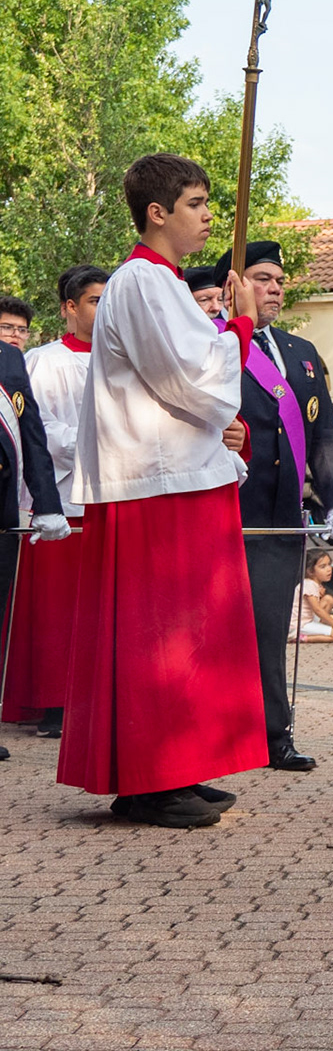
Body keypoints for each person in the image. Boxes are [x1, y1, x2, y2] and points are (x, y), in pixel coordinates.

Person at [64, 153, 264, 827]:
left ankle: (175, 766)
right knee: (162, 635)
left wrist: (223, 417)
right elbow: (188, 378)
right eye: (196, 203)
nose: (209, 216)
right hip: (154, 484)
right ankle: (149, 780)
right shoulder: (144, 282)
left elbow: (186, 381)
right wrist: (238, 325)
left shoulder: (162, 284)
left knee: (189, 633)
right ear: (158, 212)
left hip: (173, 473)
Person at [215, 239, 333, 773]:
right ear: (235, 285)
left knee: (271, 629)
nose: (273, 288)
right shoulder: (215, 344)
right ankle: (218, 734)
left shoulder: (300, 352)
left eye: (278, 280)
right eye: (261, 278)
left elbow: (323, 436)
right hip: (228, 508)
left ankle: (274, 736)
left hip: (279, 517)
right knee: (223, 627)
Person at [1, 266, 101, 739]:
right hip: (63, 494)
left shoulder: (120, 359)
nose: (104, 312)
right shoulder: (42, 360)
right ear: (69, 308)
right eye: (95, 301)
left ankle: (94, 695)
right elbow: (37, 428)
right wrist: (100, 448)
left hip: (110, 494)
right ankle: (56, 701)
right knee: (59, 607)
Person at [290, 548, 333, 644]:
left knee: (328, 599)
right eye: (323, 567)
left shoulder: (314, 584)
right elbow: (317, 609)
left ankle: (318, 628)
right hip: (299, 624)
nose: (329, 569)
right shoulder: (309, 584)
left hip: (308, 620)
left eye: (329, 565)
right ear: (310, 571)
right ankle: (300, 638)